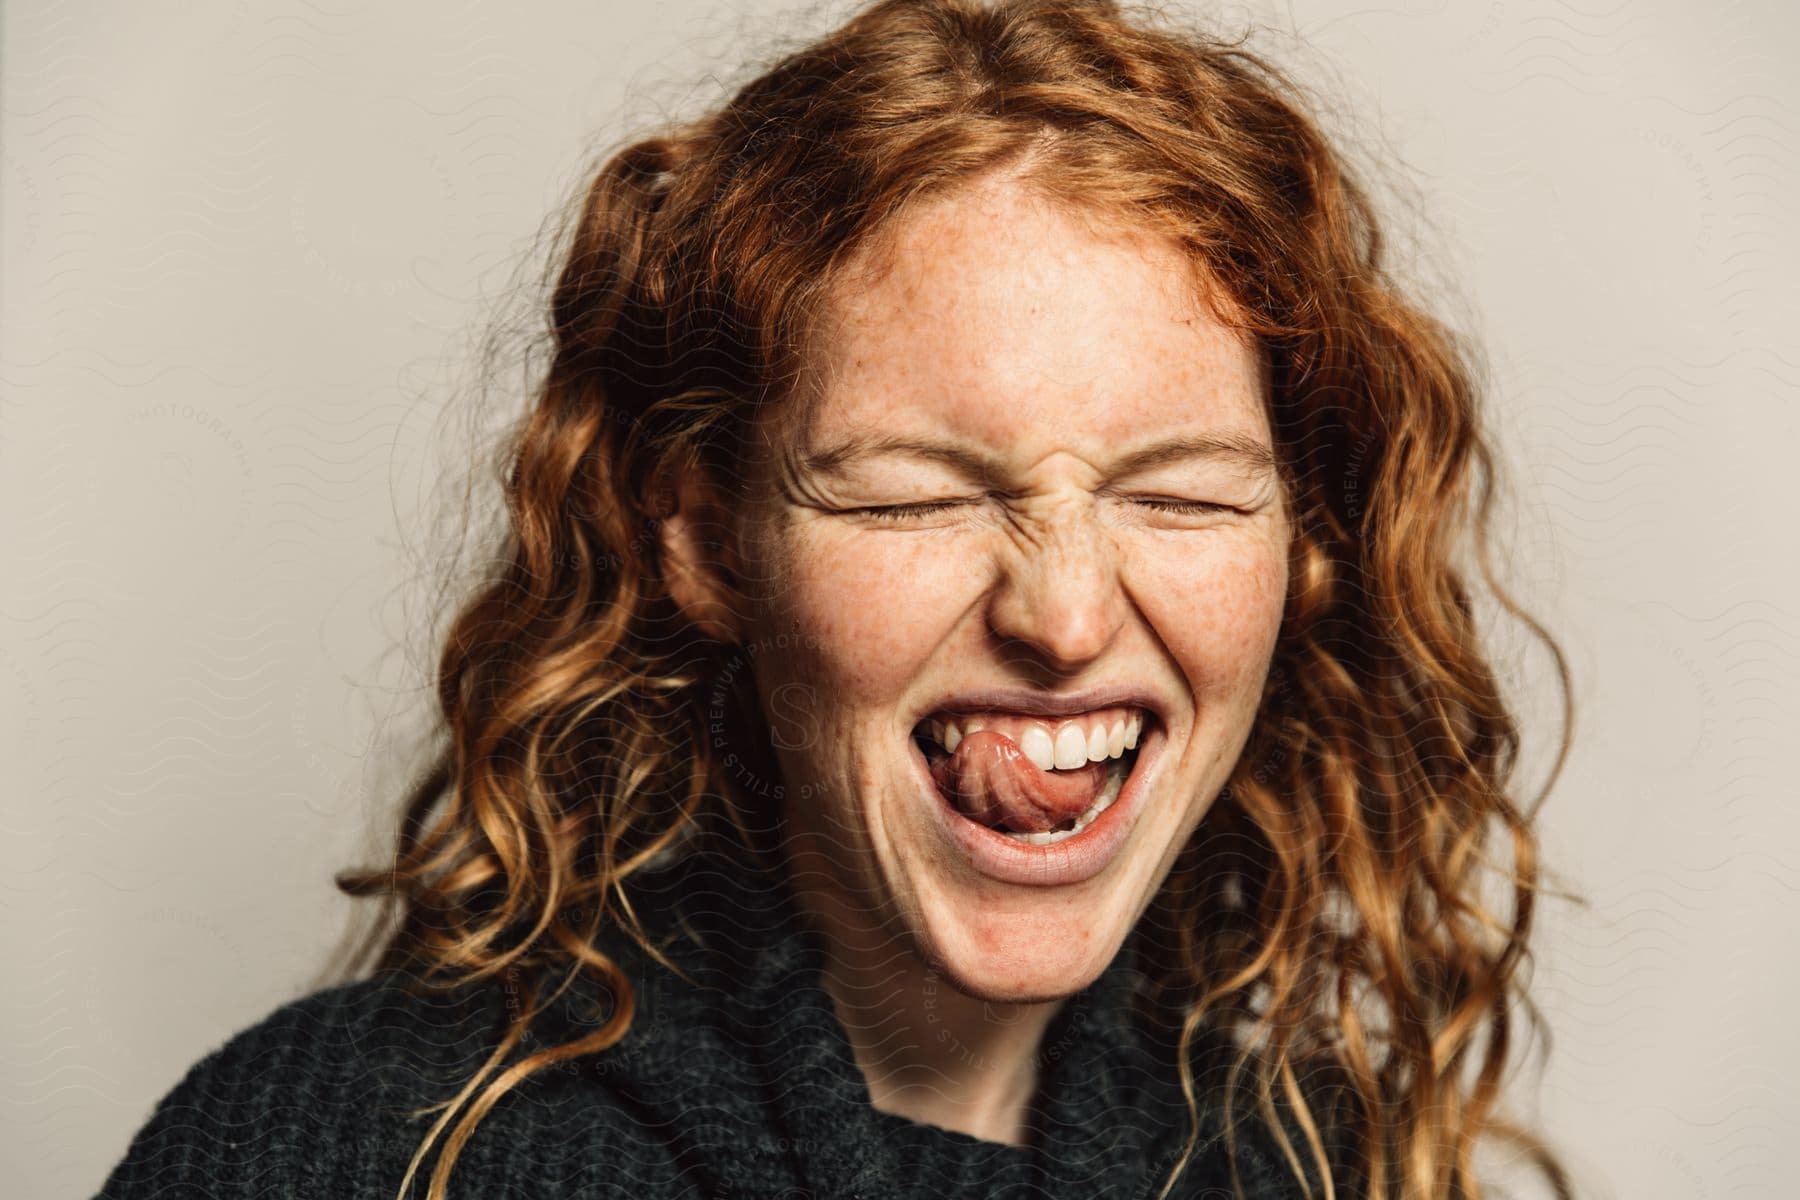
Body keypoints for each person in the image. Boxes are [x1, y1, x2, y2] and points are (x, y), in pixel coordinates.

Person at [96, 1, 1580, 1197]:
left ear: (1303, 549)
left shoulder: (1343, 1172)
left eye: (1180, 491)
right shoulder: (343, 1154)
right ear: (709, 543)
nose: (1063, 618)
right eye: (916, 491)